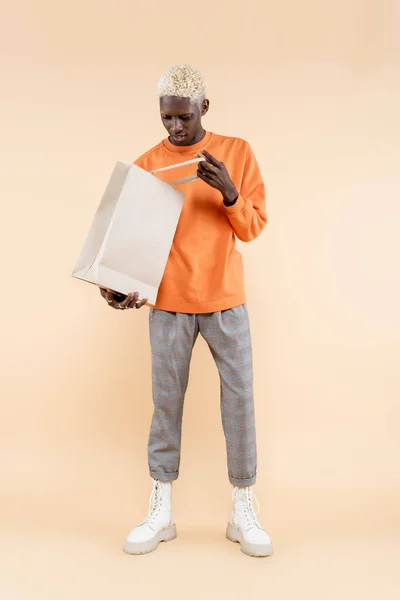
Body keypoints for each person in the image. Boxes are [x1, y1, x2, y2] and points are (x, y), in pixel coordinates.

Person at [99, 64, 272, 557]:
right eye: (167, 118)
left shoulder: (236, 153)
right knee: (165, 406)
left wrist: (230, 192)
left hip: (225, 301)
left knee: (239, 404)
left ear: (205, 110)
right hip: (169, 305)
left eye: (184, 117)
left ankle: (243, 509)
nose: (175, 128)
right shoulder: (147, 162)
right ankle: (162, 512)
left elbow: (253, 227)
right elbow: (127, 243)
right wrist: (116, 287)